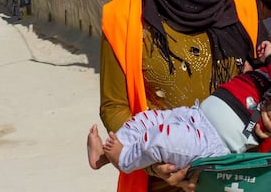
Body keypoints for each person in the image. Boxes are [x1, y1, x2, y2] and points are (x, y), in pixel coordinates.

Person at [99, 0, 271, 192]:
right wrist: (156, 163)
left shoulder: (241, 3)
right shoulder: (122, 16)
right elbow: (114, 106)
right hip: (164, 184)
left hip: (241, 178)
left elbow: (264, 77)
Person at [89, 41, 271, 174]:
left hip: (212, 143)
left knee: (162, 139)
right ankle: (105, 155)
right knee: (146, 120)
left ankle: (124, 160)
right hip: (196, 114)